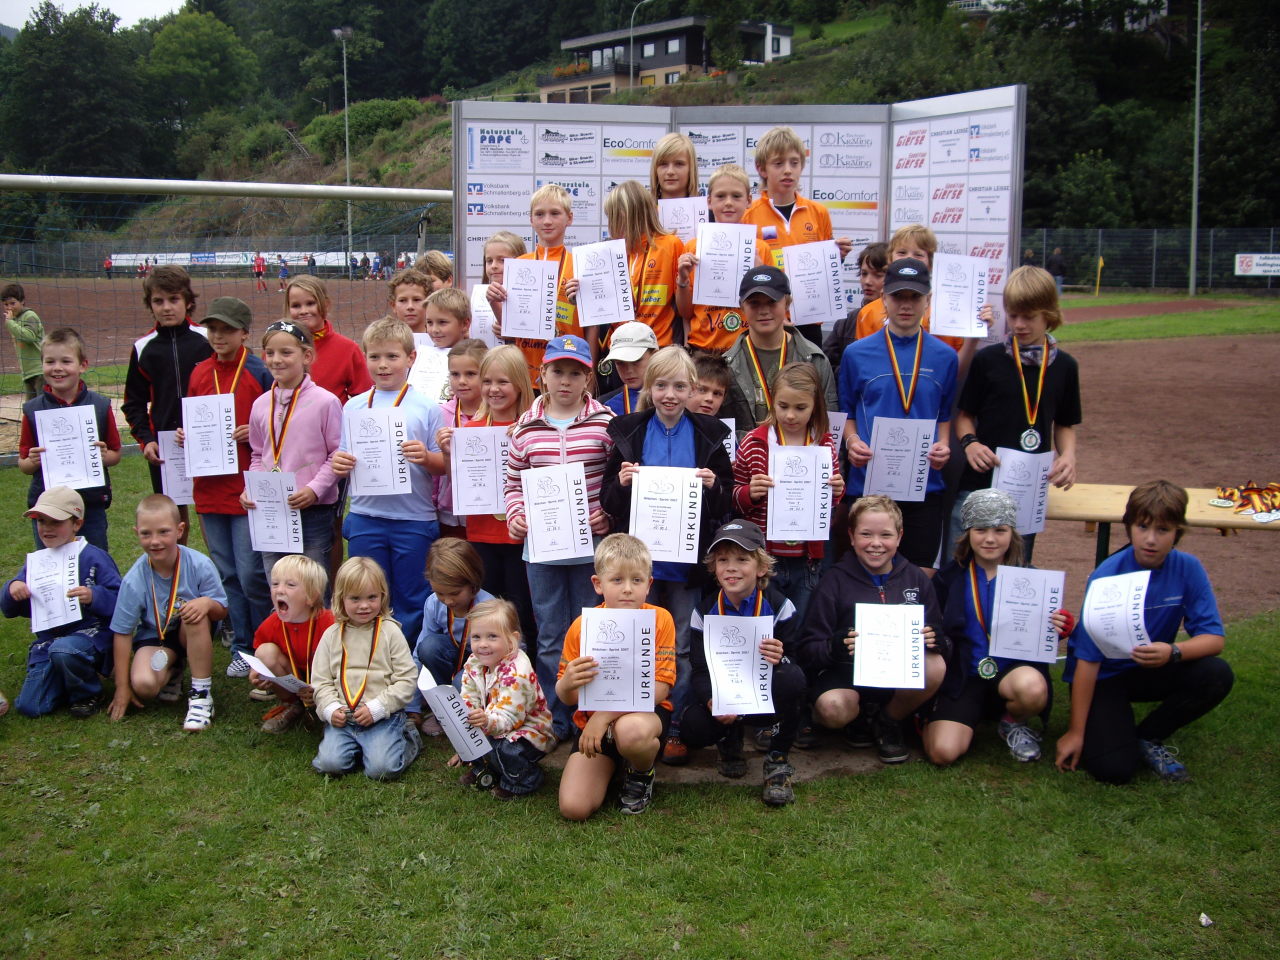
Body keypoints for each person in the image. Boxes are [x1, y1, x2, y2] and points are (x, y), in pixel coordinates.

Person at [600, 345, 734, 765]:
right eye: (661, 386)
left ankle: (672, 725)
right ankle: (629, 720)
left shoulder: (710, 434)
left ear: (692, 388)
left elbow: (726, 503)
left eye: (679, 386)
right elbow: (607, 500)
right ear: (648, 387)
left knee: (678, 645)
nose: (670, 395)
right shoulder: (630, 432)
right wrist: (622, 484)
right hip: (639, 566)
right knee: (633, 640)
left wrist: (713, 486)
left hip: (685, 565)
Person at [1056, 481, 1234, 784]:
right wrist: (1075, 732)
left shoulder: (1188, 568)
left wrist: (1173, 651)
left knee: (1216, 674)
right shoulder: (1107, 576)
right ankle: (1113, 729)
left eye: (1163, 530)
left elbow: (1214, 639)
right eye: (1142, 527)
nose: (1151, 539)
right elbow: (1087, 659)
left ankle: (1150, 736)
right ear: (1129, 527)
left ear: (1177, 531)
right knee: (1114, 770)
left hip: (1152, 666)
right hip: (1103, 677)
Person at [503, 335, 614, 743]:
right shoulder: (524, 428)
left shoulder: (606, 423)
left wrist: (607, 513)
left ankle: (590, 710)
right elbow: (513, 484)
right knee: (550, 635)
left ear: (588, 378)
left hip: (591, 549)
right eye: (557, 372)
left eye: (575, 373)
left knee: (590, 631)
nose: (565, 381)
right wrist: (516, 516)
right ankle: (555, 714)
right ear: (542, 375)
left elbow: (615, 481)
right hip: (542, 549)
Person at [925, 490, 1072, 766]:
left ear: (1012, 534)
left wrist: (1058, 626)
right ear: (967, 533)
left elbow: (1045, 632)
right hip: (965, 676)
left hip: (1011, 673)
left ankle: (1012, 721)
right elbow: (932, 623)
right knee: (942, 752)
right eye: (980, 529)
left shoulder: (1032, 579)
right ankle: (957, 715)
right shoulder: (948, 578)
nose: (990, 539)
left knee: (1031, 688)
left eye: (999, 530)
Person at [797, 495, 946, 762]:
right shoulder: (834, 581)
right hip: (846, 677)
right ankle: (856, 720)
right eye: (866, 534)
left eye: (885, 535)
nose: (876, 543)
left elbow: (939, 633)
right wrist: (834, 646)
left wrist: (936, 640)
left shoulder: (915, 578)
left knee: (935, 665)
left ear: (899, 537)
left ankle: (888, 720)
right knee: (833, 708)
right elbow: (808, 648)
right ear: (851, 536)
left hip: (897, 681)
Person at [951, 265, 1081, 562]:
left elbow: (1064, 423)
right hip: (979, 482)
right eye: (1013, 316)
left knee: (1014, 572)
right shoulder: (988, 360)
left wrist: (1069, 456)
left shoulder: (1065, 367)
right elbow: (964, 416)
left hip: (1026, 491)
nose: (1019, 325)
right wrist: (970, 443)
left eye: (1029, 317)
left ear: (1049, 314)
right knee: (958, 569)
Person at [330, 316, 444, 645]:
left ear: (411, 358)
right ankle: (369, 657)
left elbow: (442, 465)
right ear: (364, 358)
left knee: (412, 597)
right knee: (366, 593)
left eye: (392, 356)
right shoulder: (353, 407)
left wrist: (426, 456)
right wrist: (340, 463)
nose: (383, 365)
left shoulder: (426, 407)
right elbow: (342, 457)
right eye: (375, 356)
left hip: (413, 519)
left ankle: (407, 661)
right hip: (367, 517)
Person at [839, 258, 957, 574]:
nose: (906, 305)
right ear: (883, 298)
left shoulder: (945, 356)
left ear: (928, 300)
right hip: (869, 484)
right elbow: (846, 412)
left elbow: (944, 414)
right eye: (898, 296)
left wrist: (944, 445)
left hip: (924, 484)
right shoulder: (856, 353)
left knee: (919, 578)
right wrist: (852, 442)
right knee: (867, 575)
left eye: (914, 297)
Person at [179, 297, 273, 678]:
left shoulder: (258, 371)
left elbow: (278, 421)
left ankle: (264, 644)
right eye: (213, 329)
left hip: (246, 489)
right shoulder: (200, 372)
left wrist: (256, 431)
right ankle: (241, 644)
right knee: (228, 573)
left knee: (251, 573)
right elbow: (193, 416)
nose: (218, 336)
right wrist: (187, 434)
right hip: (209, 488)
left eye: (227, 330)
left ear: (244, 333)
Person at [682, 519, 806, 805]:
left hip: (764, 696)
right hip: (725, 697)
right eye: (723, 560)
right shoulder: (703, 612)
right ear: (714, 568)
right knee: (692, 727)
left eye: (742, 559)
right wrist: (712, 700)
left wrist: (781, 657)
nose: (731, 568)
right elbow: (699, 669)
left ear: (761, 567)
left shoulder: (780, 607)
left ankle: (777, 759)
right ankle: (729, 738)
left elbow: (798, 661)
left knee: (793, 679)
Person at [556, 534, 676, 819]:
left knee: (630, 732)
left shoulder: (660, 619)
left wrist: (603, 716)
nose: (627, 589)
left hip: (642, 718)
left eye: (637, 580)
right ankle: (614, 763)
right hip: (593, 726)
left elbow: (660, 690)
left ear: (649, 584)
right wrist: (568, 683)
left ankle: (641, 772)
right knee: (574, 808)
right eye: (617, 580)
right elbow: (566, 696)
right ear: (598, 584)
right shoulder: (582, 626)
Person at [732, 362, 844, 628]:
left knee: (798, 627)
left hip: (807, 560)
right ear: (773, 402)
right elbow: (733, 494)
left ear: (815, 406)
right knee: (763, 625)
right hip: (764, 557)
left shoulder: (824, 443)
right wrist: (749, 493)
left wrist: (837, 491)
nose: (790, 415)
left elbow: (830, 502)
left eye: (800, 408)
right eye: (783, 406)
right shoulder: (754, 442)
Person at [107, 494, 228, 731]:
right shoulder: (134, 579)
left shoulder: (199, 564)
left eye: (163, 532)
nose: (155, 541)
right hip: (156, 636)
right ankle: (174, 670)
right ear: (136, 533)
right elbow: (122, 632)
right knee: (144, 685)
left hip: (191, 631)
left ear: (180, 530)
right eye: (146, 534)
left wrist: (206, 603)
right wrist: (122, 687)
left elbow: (222, 610)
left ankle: (201, 696)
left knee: (193, 612)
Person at [1, 488, 122, 718]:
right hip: (49, 642)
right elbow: (10, 609)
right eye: (41, 521)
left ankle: (87, 694)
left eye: (56, 522)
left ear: (77, 524)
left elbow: (121, 600)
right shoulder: (36, 563)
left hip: (90, 635)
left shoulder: (94, 557)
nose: (47, 528)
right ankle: (66, 678)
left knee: (64, 650)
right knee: (31, 706)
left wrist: (94, 596)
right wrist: (12, 589)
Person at [447, 344, 537, 643]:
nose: (493, 389)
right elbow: (461, 482)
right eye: (487, 381)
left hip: (520, 536)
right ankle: (488, 666)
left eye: (502, 382)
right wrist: (450, 452)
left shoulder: (533, 428)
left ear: (520, 384)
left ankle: (523, 664)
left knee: (522, 609)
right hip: (482, 534)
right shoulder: (470, 430)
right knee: (487, 608)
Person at [243, 320, 343, 581]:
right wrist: (254, 488)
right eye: (270, 353)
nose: (276, 360)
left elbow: (337, 454)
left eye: (286, 352)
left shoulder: (326, 402)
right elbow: (257, 454)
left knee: (313, 585)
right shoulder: (260, 404)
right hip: (271, 511)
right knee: (277, 583)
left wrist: (314, 489)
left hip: (312, 511)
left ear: (306, 356)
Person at [311, 557, 421, 780]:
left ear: (383, 596)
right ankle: (363, 748)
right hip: (344, 719)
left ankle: (407, 737)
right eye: (355, 598)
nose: (364, 605)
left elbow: (407, 678)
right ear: (341, 598)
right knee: (329, 764)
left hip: (382, 718)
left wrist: (378, 708)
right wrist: (330, 708)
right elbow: (320, 680)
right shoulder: (331, 635)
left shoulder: (391, 632)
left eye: (372, 597)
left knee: (382, 770)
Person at [742, 126, 852, 345]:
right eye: (778, 163)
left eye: (794, 163)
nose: (788, 170)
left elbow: (823, 274)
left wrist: (836, 257)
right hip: (767, 319)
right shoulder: (748, 215)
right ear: (761, 168)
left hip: (809, 320)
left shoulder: (818, 212)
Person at [123, 265, 212, 534]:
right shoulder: (143, 348)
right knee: (172, 517)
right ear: (150, 305)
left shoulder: (207, 340)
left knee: (211, 511)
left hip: (208, 440)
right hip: (166, 446)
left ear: (188, 301)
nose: (166, 307)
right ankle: (177, 561)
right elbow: (133, 402)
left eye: (174, 299)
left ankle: (216, 562)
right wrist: (146, 440)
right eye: (158, 301)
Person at [18, 327, 122, 551]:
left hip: (90, 505)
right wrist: (32, 461)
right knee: (52, 563)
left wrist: (104, 456)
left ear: (82, 365)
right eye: (50, 361)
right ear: (42, 364)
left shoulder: (100, 406)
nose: (57, 368)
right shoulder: (33, 410)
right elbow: (23, 464)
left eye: (66, 361)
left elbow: (115, 454)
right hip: (48, 507)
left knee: (93, 560)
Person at [486, 184, 589, 384]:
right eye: (540, 214)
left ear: (569, 218)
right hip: (524, 370)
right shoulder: (519, 264)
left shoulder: (579, 265)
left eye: (555, 213)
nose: (547, 221)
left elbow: (592, 327)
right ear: (531, 219)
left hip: (567, 369)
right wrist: (493, 302)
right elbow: (510, 330)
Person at [453, 598, 555, 799]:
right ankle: (485, 769)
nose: (483, 644)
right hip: (492, 720)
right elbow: (469, 694)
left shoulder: (516, 673)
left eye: (492, 636)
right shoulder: (475, 662)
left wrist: (485, 721)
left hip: (529, 732)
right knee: (474, 731)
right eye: (476, 637)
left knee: (505, 748)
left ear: (511, 639)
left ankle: (525, 780)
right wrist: (469, 714)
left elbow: (510, 719)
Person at [722, 265, 838, 437]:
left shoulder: (814, 359)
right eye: (754, 303)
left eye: (772, 302)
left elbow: (828, 421)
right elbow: (720, 429)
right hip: (747, 454)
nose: (763, 311)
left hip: (801, 453)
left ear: (787, 303)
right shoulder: (727, 364)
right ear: (741, 306)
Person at [676, 164, 775, 355]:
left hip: (748, 349)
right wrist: (683, 280)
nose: (728, 202)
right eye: (721, 196)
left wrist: (760, 274)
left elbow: (771, 306)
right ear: (709, 201)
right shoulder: (693, 248)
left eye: (736, 196)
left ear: (748, 201)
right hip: (703, 349)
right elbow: (685, 312)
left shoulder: (761, 249)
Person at [248, 554, 335, 733]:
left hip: (327, 683)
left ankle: (329, 707)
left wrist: (319, 688)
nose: (280, 590)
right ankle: (293, 705)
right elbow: (259, 657)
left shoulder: (330, 623)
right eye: (275, 584)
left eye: (290, 585)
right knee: (265, 652)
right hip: (295, 683)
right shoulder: (272, 623)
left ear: (311, 596)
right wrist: (256, 674)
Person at [851, 225, 966, 356]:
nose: (909, 259)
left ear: (930, 262)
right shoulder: (868, 313)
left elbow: (954, 362)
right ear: (890, 258)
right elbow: (864, 358)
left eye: (918, 254)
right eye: (902, 253)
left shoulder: (947, 312)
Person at [415, 538, 495, 712]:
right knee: (429, 647)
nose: (448, 600)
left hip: (485, 663)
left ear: (473, 583)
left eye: (455, 593)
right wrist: (412, 705)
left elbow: (510, 652)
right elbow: (419, 652)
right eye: (440, 593)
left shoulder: (489, 608)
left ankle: (474, 712)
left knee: (462, 682)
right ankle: (445, 706)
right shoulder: (434, 603)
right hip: (454, 656)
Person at [602, 180, 683, 347]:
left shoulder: (670, 245)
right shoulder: (611, 254)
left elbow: (683, 307)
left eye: (614, 217)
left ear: (630, 214)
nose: (611, 225)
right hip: (620, 348)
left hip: (658, 348)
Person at [284, 275, 371, 405]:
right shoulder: (277, 349)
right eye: (296, 305)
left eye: (310, 303)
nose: (303, 311)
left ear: (326, 304)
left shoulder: (348, 349)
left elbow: (364, 398)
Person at [433, 338, 487, 538]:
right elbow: (435, 473)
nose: (461, 381)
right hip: (450, 510)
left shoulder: (499, 414)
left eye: (470, 374)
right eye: (455, 374)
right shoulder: (441, 414)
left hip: (489, 511)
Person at [822, 242, 888, 371]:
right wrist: (850, 374)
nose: (867, 282)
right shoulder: (846, 323)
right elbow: (824, 367)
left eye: (878, 275)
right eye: (864, 273)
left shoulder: (905, 322)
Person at [598, 321, 658, 417]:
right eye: (620, 363)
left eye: (636, 361)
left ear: (655, 355)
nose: (629, 370)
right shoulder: (606, 406)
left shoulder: (676, 396)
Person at [3, 282, 44, 399]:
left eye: (13, 303)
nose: (9, 307)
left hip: (39, 371)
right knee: (30, 406)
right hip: (28, 372)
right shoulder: (15, 319)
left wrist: (10, 323)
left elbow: (30, 337)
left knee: (42, 405)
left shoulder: (30, 316)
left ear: (22, 301)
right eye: (6, 304)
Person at [650, 131, 698, 200]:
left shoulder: (707, 206)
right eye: (663, 164)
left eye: (679, 164)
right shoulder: (642, 207)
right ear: (655, 169)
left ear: (691, 168)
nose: (670, 171)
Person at [388, 267, 434, 334]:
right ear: (393, 306)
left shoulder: (440, 338)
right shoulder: (384, 339)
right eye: (402, 300)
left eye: (416, 300)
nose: (410, 306)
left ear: (428, 304)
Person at [688, 350, 732, 419]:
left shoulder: (723, 426)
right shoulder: (670, 423)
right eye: (702, 390)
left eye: (717, 393)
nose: (710, 398)